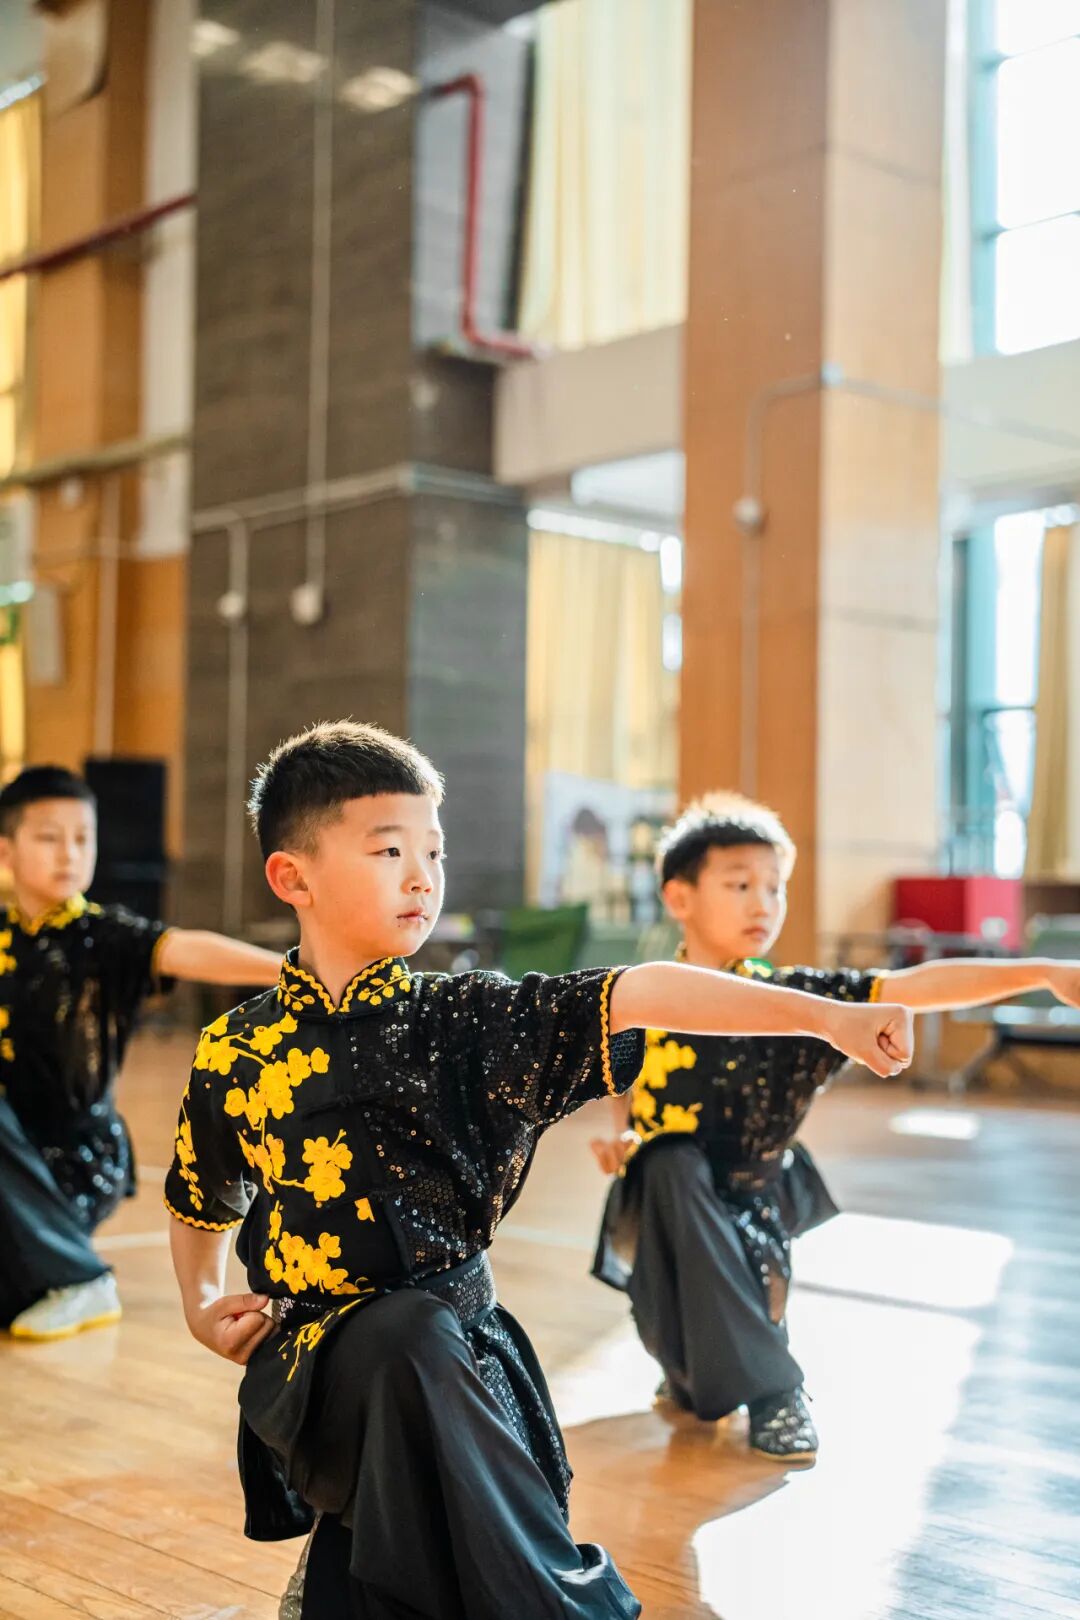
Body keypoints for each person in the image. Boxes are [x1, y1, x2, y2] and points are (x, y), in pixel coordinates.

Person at [165, 722, 913, 1620]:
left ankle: (350, 1559)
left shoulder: (466, 1021)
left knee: (411, 1338)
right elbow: (201, 1193)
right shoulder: (237, 1048)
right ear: (293, 878)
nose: (422, 877)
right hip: (320, 1375)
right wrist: (200, 1304)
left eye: (435, 852)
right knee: (395, 1338)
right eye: (391, 851)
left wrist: (824, 1017)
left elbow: (640, 990)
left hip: (460, 1366)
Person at [590, 793, 1080, 1462]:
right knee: (669, 1165)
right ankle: (696, 1367)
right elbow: (623, 1082)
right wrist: (622, 1137)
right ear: (680, 897)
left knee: (683, 1181)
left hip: (754, 1209)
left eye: (775, 887)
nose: (763, 904)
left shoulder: (799, 1001)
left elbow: (919, 984)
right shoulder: (643, 996)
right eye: (740, 885)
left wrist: (1044, 972)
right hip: (658, 1211)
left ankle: (774, 1392)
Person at [0, 765, 282, 1341]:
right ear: (6, 850)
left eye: (83, 838)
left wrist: (294, 969)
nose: (70, 853)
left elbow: (186, 949)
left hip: (71, 1161)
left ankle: (79, 1278)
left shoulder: (105, 937)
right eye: (50, 837)